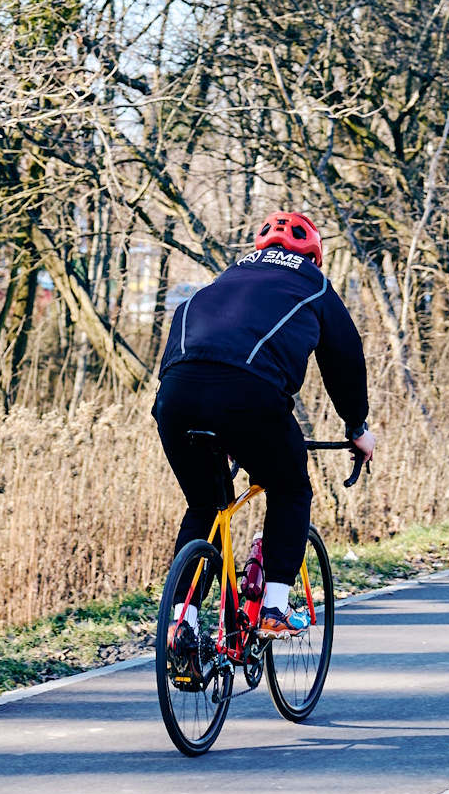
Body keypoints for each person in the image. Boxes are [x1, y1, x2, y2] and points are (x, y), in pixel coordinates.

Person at [153, 210, 375, 640]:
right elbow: (344, 360)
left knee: (205, 506)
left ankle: (183, 621)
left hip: (174, 396)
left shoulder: (224, 279)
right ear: (314, 255)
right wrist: (356, 426)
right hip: (248, 397)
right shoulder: (315, 285)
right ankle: (273, 607)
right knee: (291, 488)